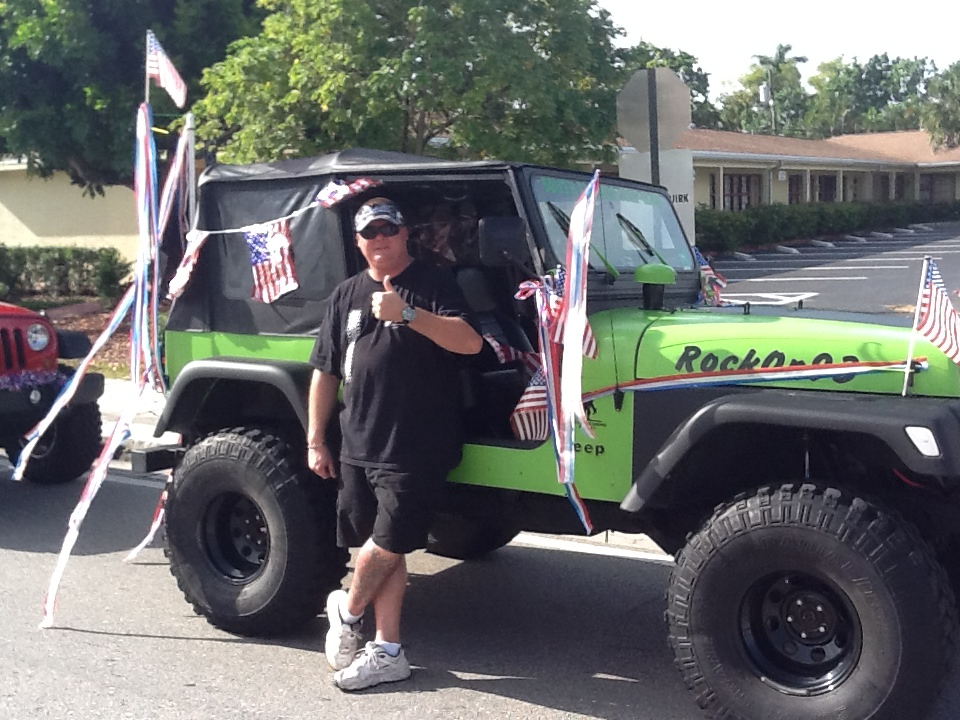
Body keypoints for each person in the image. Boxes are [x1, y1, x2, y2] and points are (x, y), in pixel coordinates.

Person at [306, 196, 483, 691]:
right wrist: (315, 438)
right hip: (357, 440)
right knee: (382, 548)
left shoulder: (433, 283)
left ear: (406, 234)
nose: (379, 238)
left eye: (388, 228)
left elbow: (470, 342)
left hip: (416, 442)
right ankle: (388, 650)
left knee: (389, 541)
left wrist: (407, 314)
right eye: (369, 232)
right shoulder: (345, 294)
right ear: (358, 242)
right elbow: (324, 370)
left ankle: (347, 607)